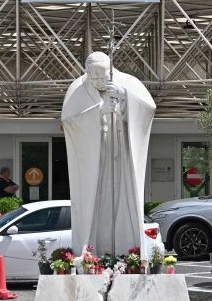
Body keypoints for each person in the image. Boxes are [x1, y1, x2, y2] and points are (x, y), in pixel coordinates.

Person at [61, 51, 156, 256]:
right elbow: (69, 122)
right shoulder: (77, 89)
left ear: (111, 70)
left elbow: (148, 109)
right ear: (87, 72)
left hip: (122, 157)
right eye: (93, 77)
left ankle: (127, 253)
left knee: (123, 203)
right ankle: (93, 255)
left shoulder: (128, 83)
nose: (98, 81)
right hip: (95, 160)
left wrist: (125, 98)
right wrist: (99, 111)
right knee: (97, 206)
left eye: (102, 76)